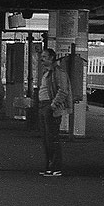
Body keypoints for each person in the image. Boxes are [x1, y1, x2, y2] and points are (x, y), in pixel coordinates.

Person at [36, 48, 72, 176]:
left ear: (51, 58)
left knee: (52, 137)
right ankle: (49, 166)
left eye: (44, 57)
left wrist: (53, 105)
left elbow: (63, 90)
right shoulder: (47, 72)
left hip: (49, 106)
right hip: (43, 106)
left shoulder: (58, 72)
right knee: (46, 138)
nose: (42, 59)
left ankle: (55, 167)